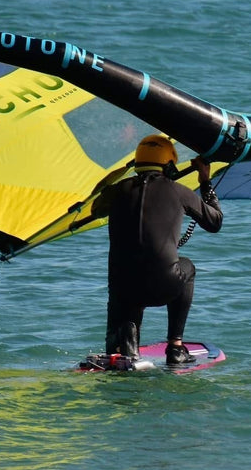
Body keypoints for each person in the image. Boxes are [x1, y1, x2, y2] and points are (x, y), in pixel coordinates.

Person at [91, 134, 223, 367]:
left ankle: (125, 342)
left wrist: (119, 175)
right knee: (187, 266)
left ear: (136, 163)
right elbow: (215, 222)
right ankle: (175, 347)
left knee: (117, 345)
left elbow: (95, 208)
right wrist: (205, 179)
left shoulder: (117, 191)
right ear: (170, 166)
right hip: (164, 284)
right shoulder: (179, 191)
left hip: (123, 291)